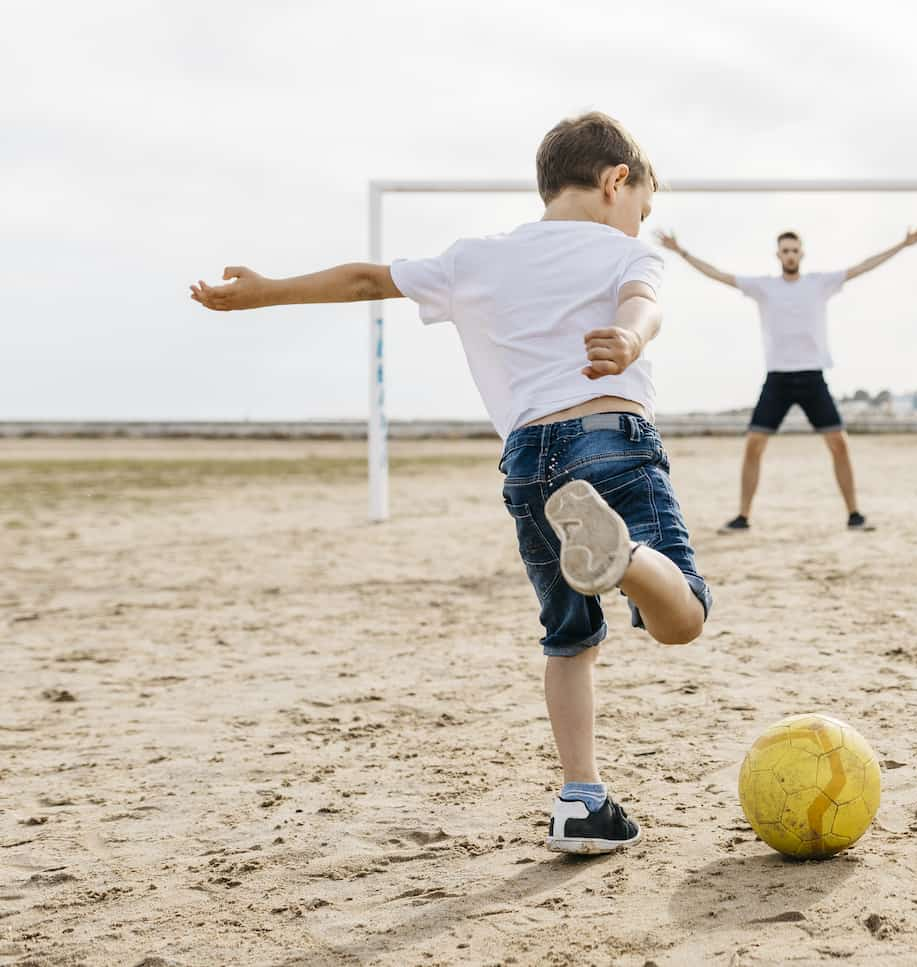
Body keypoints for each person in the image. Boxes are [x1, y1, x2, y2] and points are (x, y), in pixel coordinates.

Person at [190, 112, 710, 855]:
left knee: (568, 640)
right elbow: (643, 303)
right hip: (610, 441)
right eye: (641, 210)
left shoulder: (476, 257)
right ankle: (622, 558)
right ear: (614, 182)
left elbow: (368, 278)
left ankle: (580, 800)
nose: (638, 225)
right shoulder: (626, 253)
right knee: (683, 616)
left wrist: (265, 291)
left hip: (531, 461)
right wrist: (629, 338)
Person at [657, 224, 917, 532]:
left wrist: (902, 245)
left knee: (839, 443)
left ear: (801, 253)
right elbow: (718, 274)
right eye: (784, 251)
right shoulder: (764, 287)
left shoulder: (819, 283)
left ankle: (854, 514)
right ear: (778, 255)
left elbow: (863, 267)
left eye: (794, 250)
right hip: (778, 379)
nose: (789, 255)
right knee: (754, 445)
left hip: (813, 377)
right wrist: (681, 252)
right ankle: (743, 517)